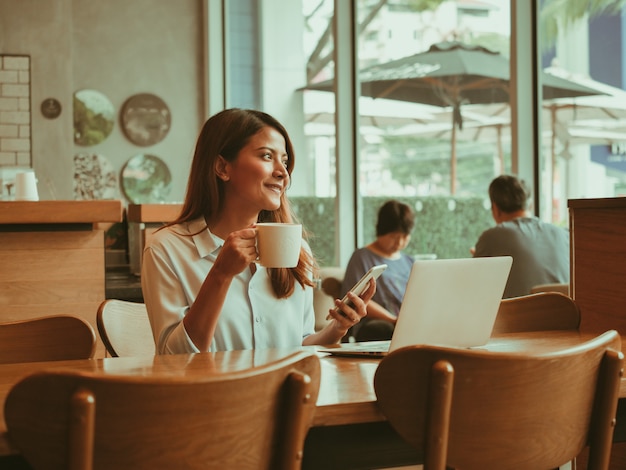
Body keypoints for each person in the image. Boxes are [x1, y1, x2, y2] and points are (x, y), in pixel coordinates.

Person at [141, 108, 374, 354]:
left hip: (285, 391)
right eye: (266, 156)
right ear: (222, 167)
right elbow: (174, 359)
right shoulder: (166, 249)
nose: (283, 172)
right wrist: (220, 274)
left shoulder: (295, 249)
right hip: (212, 393)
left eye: (284, 161)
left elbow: (298, 346)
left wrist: (337, 328)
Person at [472, 174, 569, 298]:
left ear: (495, 209)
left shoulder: (491, 237)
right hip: (568, 315)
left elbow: (474, 287)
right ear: (530, 205)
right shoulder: (563, 234)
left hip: (518, 316)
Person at [341, 200, 415, 341]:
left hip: (407, 323)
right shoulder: (362, 257)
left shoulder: (410, 261)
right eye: (393, 237)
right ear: (381, 231)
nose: (399, 243)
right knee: (386, 329)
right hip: (377, 325)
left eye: (404, 237)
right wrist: (393, 319)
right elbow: (355, 298)